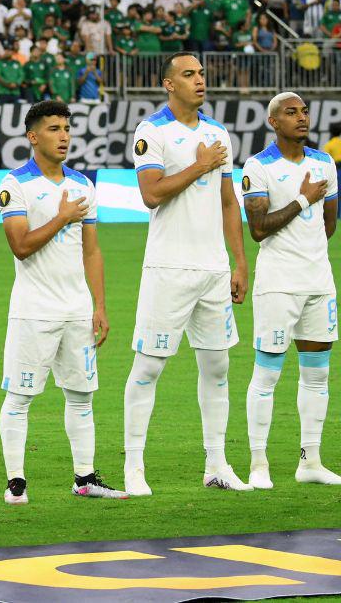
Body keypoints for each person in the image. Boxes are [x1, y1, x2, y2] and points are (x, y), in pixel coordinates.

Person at [124, 52, 250, 496]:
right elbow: (150, 195)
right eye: (189, 75)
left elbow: (228, 201)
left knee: (218, 366)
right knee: (149, 367)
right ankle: (134, 467)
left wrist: (238, 261)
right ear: (168, 84)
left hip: (213, 268)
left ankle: (216, 463)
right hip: (168, 267)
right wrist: (199, 165)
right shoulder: (152, 131)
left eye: (201, 73)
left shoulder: (217, 134)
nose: (200, 80)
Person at [0, 100, 125, 505]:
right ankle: (15, 481)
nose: (64, 135)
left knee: (82, 395)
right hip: (33, 309)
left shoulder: (83, 185)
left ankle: (85, 478)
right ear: (33, 137)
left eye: (67, 128)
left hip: (76, 310)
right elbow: (20, 246)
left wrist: (99, 305)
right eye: (54, 129)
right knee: (20, 397)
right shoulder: (14, 185)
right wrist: (63, 217)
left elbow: (92, 251)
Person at [242, 93, 339, 488]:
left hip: (319, 281)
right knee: (267, 375)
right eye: (291, 112)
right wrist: (303, 199)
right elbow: (259, 228)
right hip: (278, 285)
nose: (301, 118)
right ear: (272, 121)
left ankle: (310, 461)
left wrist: (309, 211)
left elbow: (328, 225)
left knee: (318, 375)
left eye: (303, 111)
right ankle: (258, 462)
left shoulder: (324, 162)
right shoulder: (258, 167)